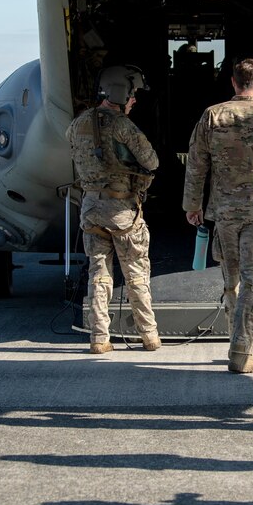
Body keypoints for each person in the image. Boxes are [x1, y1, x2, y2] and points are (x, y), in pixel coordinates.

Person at [183, 58, 253, 373]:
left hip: (224, 213)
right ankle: (242, 351)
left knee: (231, 281)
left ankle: (236, 342)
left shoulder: (212, 116)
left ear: (233, 82)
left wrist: (193, 204)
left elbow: (196, 162)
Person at [66, 64, 161, 353]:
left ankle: (99, 338)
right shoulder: (123, 125)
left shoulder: (76, 125)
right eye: (132, 95)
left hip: (91, 208)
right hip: (121, 210)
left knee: (98, 273)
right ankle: (149, 336)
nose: (134, 100)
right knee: (135, 272)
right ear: (122, 93)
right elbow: (152, 161)